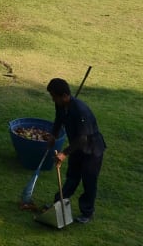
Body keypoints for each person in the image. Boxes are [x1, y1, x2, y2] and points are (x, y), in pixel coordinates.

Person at [45, 77, 106, 223]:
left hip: (91, 149)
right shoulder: (61, 105)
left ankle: (87, 213)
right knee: (72, 177)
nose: (53, 100)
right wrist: (53, 134)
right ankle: (58, 203)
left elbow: (83, 138)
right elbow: (58, 119)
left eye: (54, 97)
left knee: (88, 181)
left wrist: (64, 153)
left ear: (65, 96)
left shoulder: (80, 110)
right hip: (76, 147)